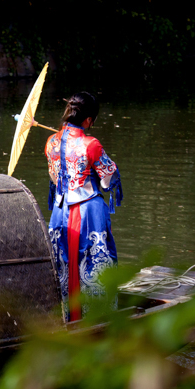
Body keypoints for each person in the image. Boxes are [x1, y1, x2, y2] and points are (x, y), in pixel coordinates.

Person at [46, 92, 123, 322]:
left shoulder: (51, 143)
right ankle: (97, 317)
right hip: (88, 210)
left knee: (61, 262)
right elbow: (108, 181)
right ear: (88, 119)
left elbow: (54, 179)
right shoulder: (91, 144)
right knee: (93, 262)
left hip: (60, 210)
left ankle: (64, 316)